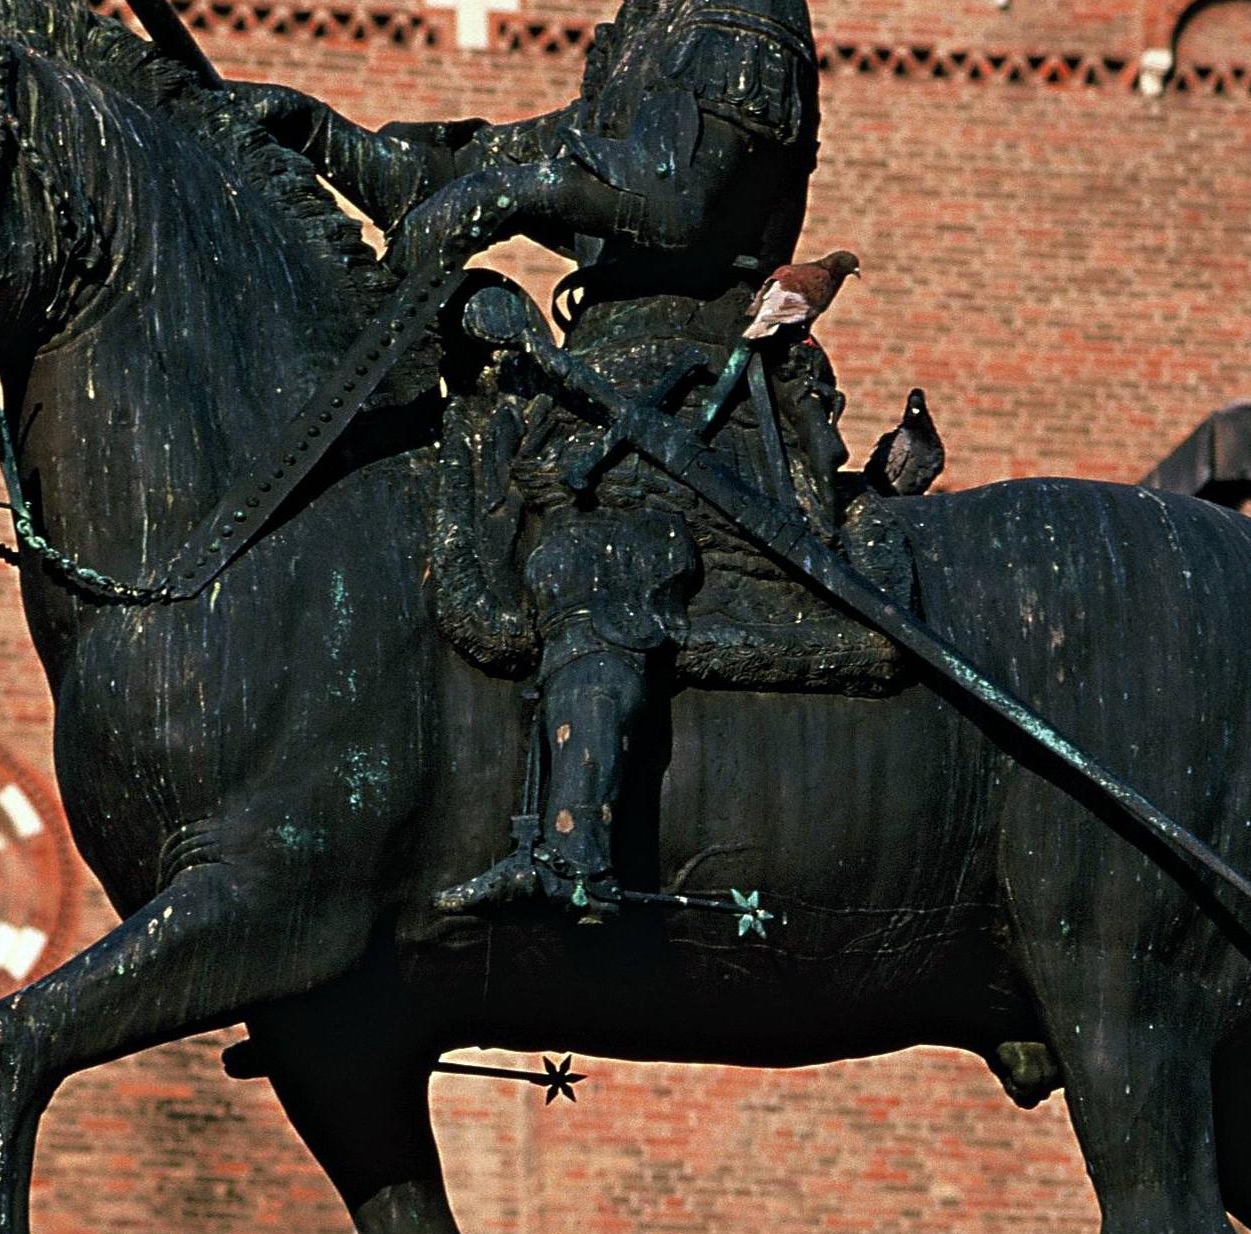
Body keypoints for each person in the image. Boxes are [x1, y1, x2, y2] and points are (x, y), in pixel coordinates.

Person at [239, 0, 840, 916]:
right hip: (596, 374)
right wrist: (318, 132)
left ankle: (575, 858)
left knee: (591, 558)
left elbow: (676, 201)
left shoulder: (738, 22)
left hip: (692, 385)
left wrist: (502, 200)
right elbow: (473, 163)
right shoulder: (652, 30)